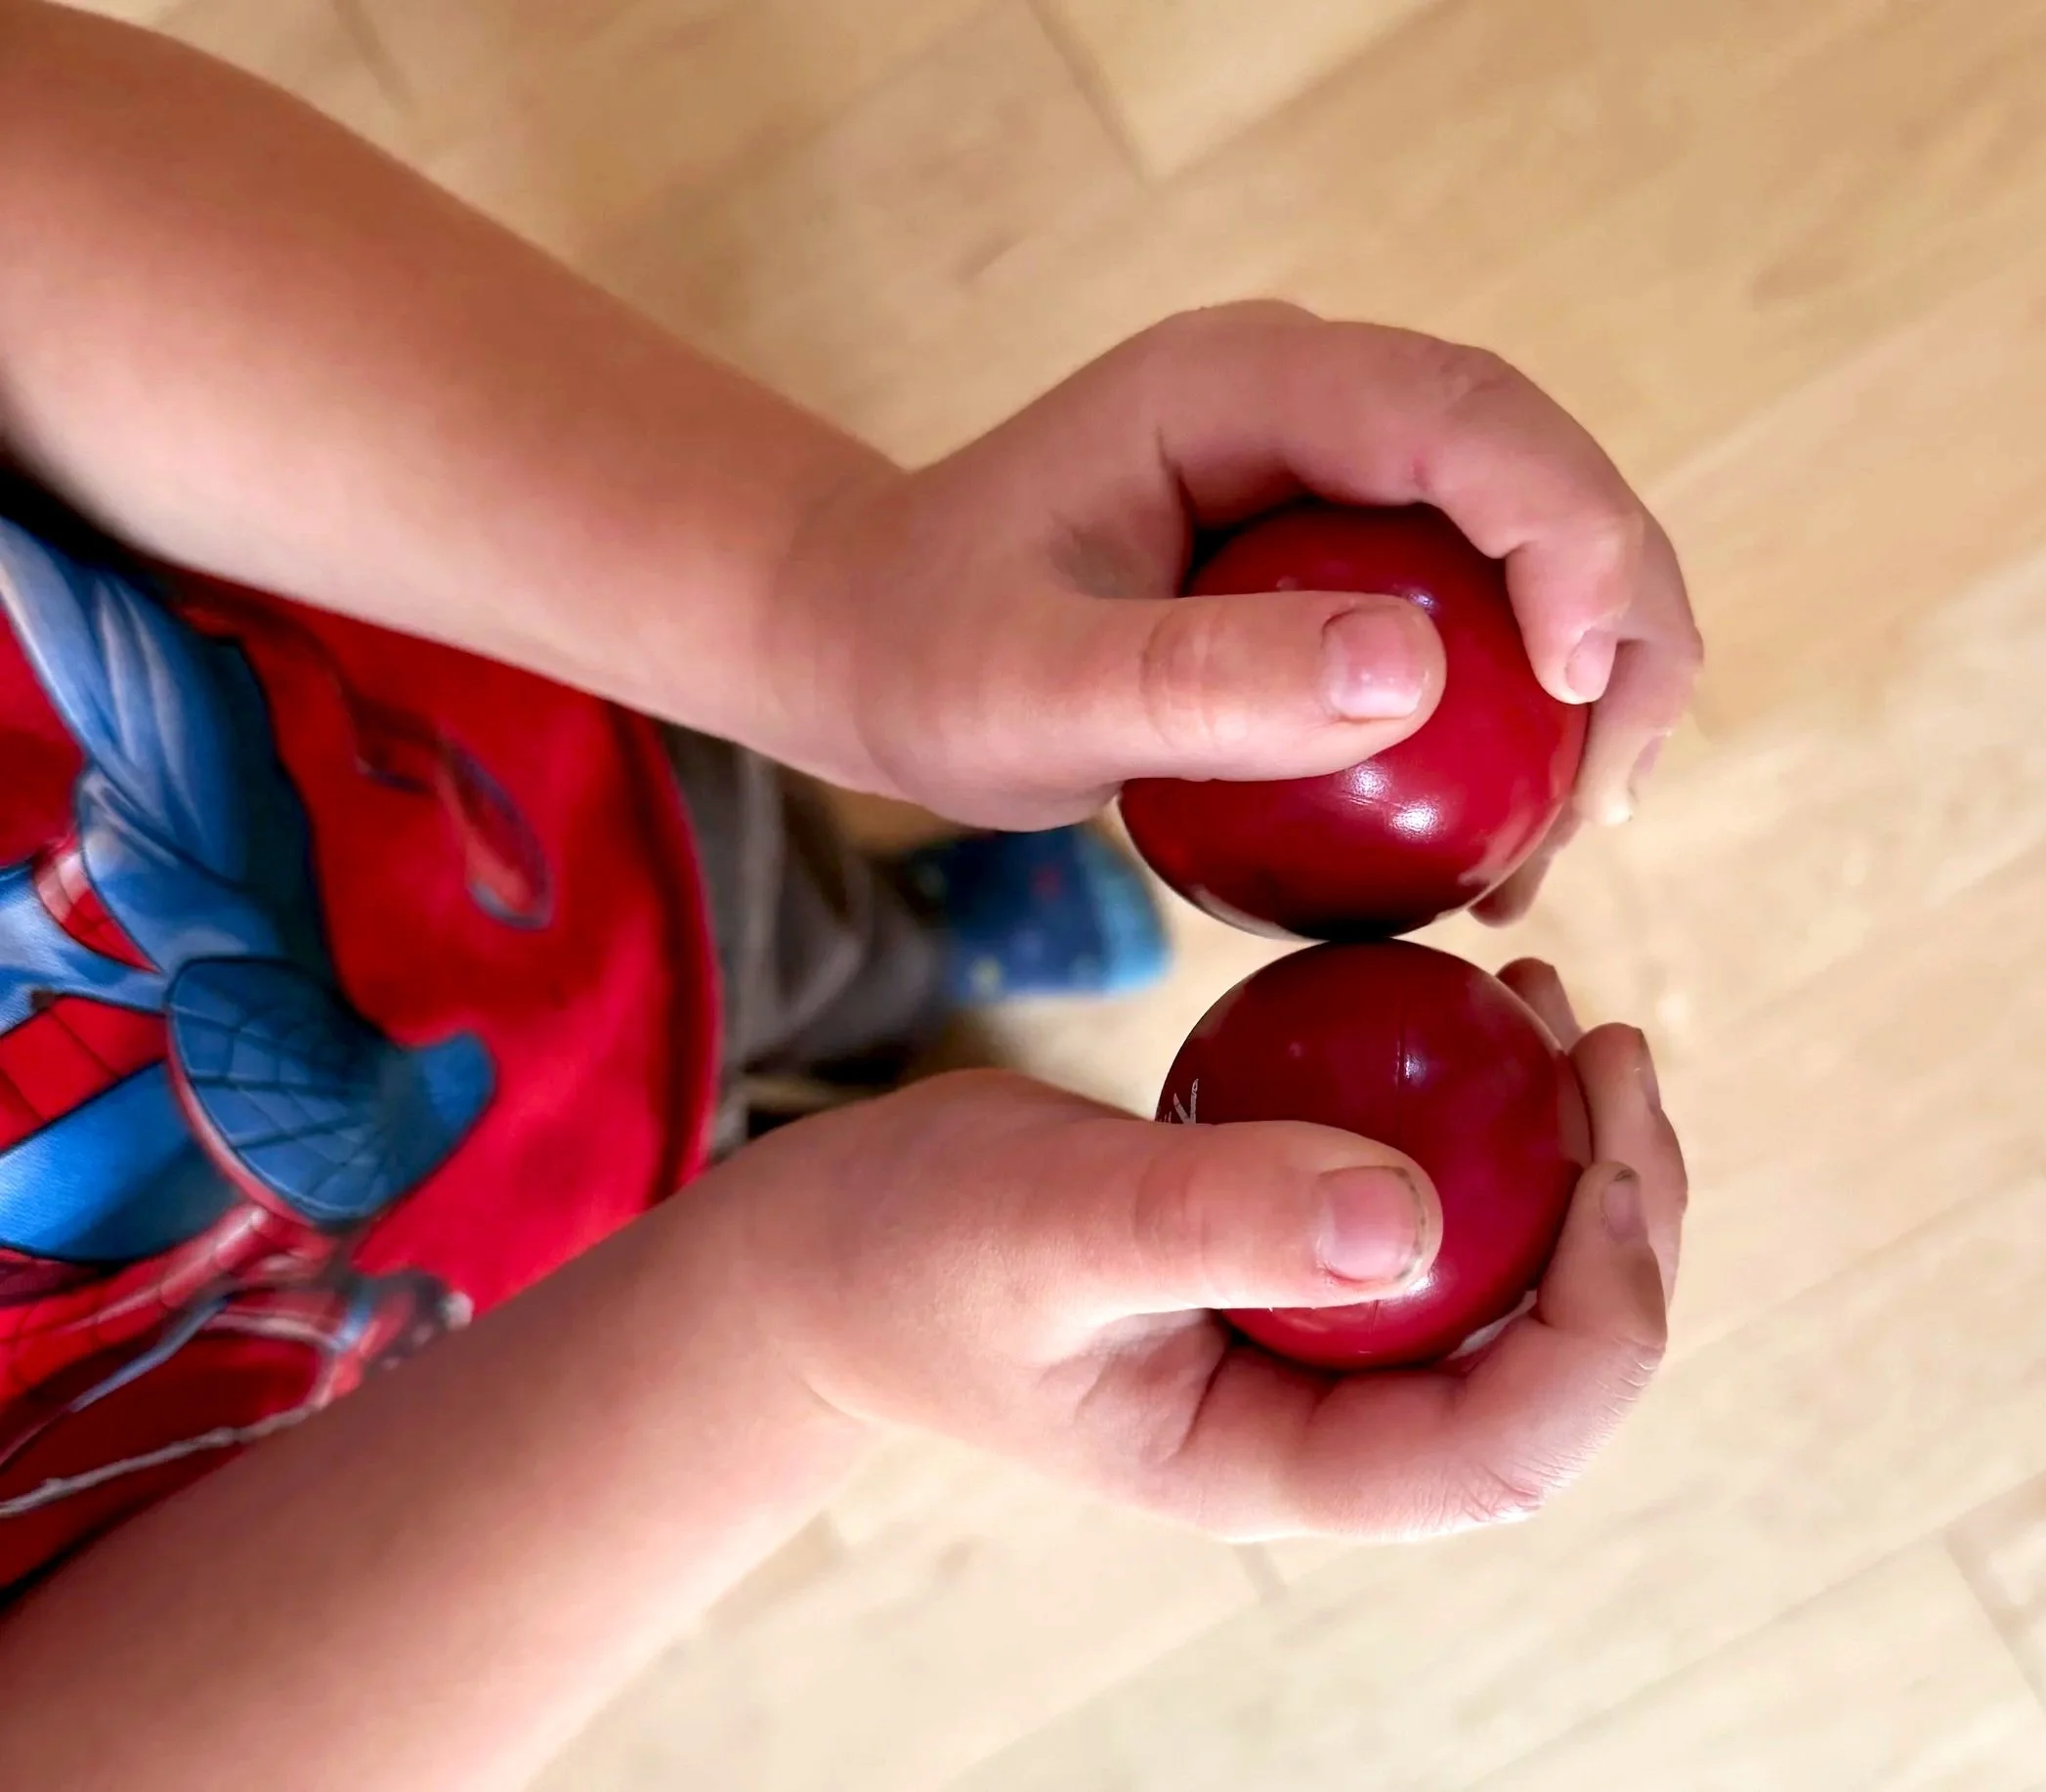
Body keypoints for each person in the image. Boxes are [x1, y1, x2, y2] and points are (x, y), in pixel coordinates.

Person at [0, 2, 1703, 1784]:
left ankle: (912, 939)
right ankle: (893, 981)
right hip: (494, 1363)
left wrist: (829, 598)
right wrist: (800, 1317)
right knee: (739, 1091)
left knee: (764, 891)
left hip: (487, 719)